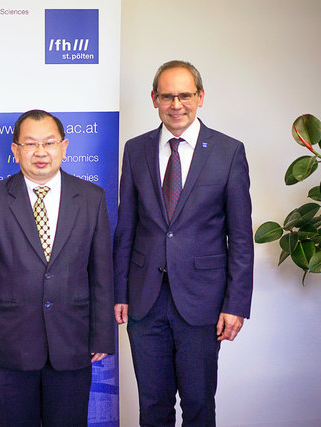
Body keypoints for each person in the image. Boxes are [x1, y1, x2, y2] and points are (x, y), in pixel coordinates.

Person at [113, 60, 253, 426]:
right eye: (167, 96)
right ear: (154, 99)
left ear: (200, 97)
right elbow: (126, 226)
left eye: (185, 95)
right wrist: (120, 292)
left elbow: (239, 237)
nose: (177, 104)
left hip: (202, 302)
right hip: (145, 301)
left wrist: (236, 304)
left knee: (198, 404)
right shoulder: (135, 149)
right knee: (153, 406)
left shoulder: (228, 152)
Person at [0, 109, 114, 426]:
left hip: (72, 341)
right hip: (10, 344)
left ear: (64, 146)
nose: (41, 152)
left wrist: (102, 335)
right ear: (16, 150)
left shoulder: (91, 197)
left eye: (49, 142)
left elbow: (101, 273)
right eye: (30, 144)